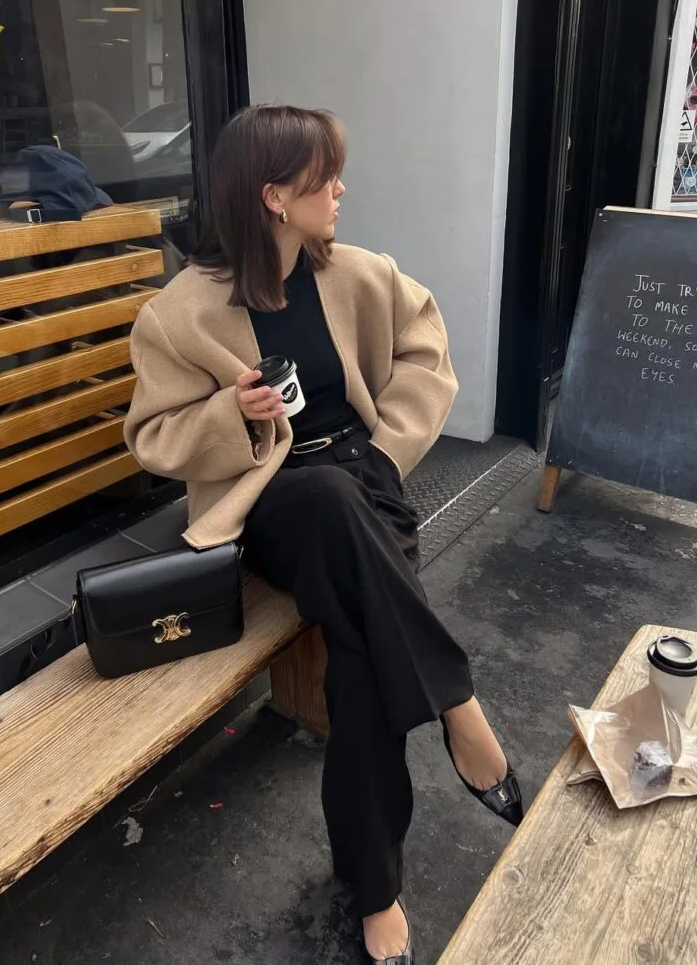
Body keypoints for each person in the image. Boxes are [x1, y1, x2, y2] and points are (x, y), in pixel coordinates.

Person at [124, 105, 522, 964]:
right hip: (274, 496)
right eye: (321, 179)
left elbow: (427, 348)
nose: (340, 191)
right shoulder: (179, 313)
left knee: (366, 665)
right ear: (272, 197)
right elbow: (152, 437)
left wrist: (388, 448)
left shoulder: (357, 272)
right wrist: (229, 414)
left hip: (365, 481)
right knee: (332, 505)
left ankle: (375, 893)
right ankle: (460, 706)